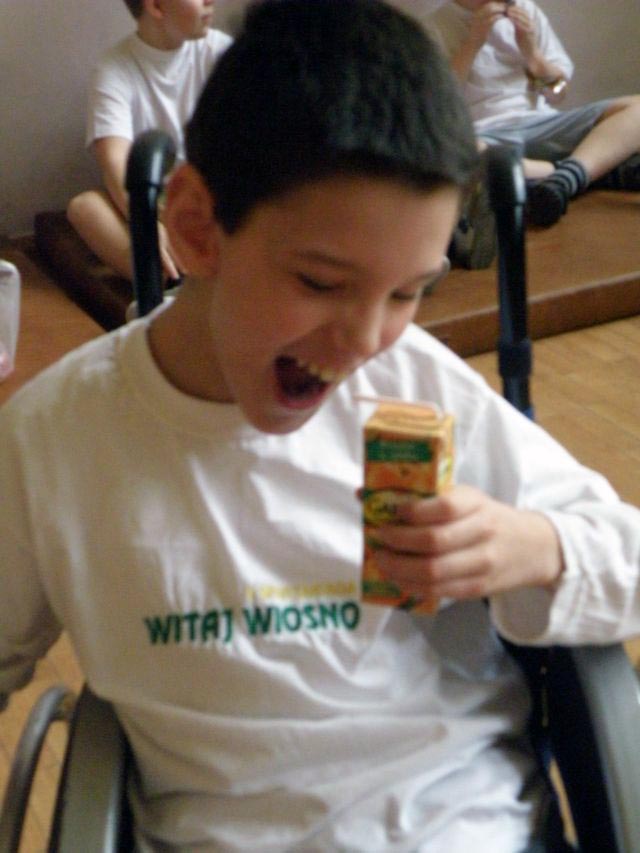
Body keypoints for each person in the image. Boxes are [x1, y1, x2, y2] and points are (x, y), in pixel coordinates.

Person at [2, 1, 640, 849]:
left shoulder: (416, 384)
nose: (365, 340)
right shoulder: (59, 437)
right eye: (321, 282)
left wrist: (532, 545)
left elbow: (627, 554)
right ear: (195, 229)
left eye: (408, 291)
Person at [425, 0, 640, 227]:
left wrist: (533, 54)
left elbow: (557, 93)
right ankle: (580, 173)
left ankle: (558, 176)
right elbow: (439, 107)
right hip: (485, 135)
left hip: (543, 123)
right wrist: (472, 42)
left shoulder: (526, 10)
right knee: (445, 155)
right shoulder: (433, 26)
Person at [66, 0, 232, 282]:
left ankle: (196, 274)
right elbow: (115, 163)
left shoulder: (221, 52)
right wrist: (148, 223)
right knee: (85, 207)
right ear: (155, 6)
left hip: (207, 199)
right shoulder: (113, 69)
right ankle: (168, 277)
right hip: (154, 202)